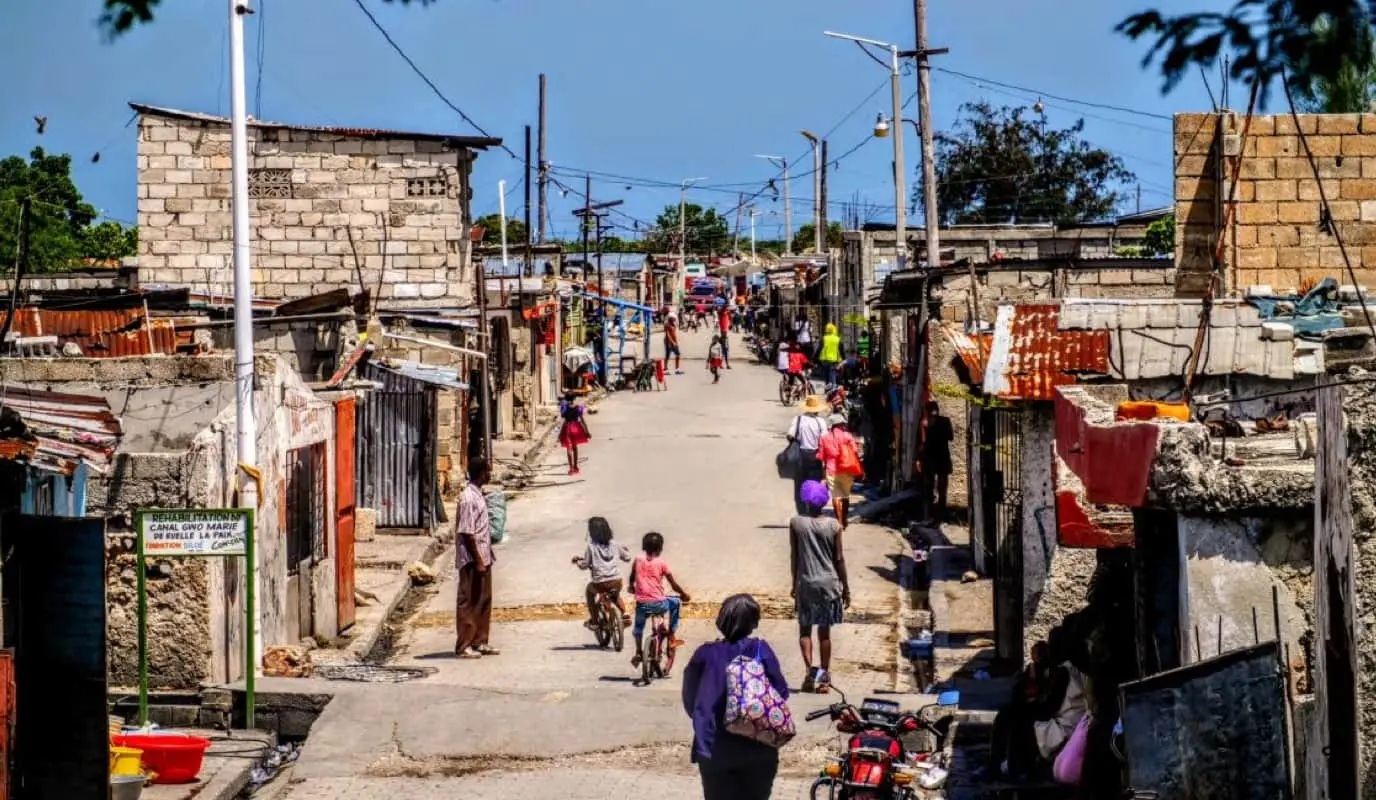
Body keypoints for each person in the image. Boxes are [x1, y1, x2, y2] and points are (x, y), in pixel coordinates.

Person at [682, 594, 788, 800]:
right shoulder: (761, 650)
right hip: (758, 745)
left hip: (714, 746)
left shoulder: (704, 654)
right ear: (753, 622)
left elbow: (690, 700)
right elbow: (780, 692)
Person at [790, 480, 848, 693]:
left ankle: (809, 673)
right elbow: (839, 559)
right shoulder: (834, 525)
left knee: (805, 631)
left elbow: (794, 557)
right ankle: (824, 678)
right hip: (829, 584)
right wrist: (846, 587)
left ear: (805, 501)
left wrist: (794, 584)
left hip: (806, 583)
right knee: (825, 634)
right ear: (824, 502)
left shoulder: (796, 523)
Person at [455, 457, 500, 659]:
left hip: (483, 555)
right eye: (488, 471)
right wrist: (478, 560)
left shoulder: (479, 494)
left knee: (484, 599)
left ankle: (480, 641)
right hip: (472, 560)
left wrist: (488, 554)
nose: (490, 475)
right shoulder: (468, 498)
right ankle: (464, 644)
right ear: (481, 473)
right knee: (469, 601)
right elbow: (466, 532)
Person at [987, 640, 1051, 778]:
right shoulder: (1031, 669)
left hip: (1040, 710)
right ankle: (997, 764)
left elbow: (1044, 696)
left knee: (1017, 726)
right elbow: (1019, 689)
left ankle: (1015, 767)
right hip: (1025, 705)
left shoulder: (1051, 670)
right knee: (1003, 719)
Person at [630, 531, 692, 668]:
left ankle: (638, 651)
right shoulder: (662, 563)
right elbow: (673, 584)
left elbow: (632, 576)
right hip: (659, 604)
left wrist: (630, 587)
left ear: (644, 547)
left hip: (641, 604)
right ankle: (671, 634)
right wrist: (683, 594)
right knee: (675, 602)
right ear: (660, 549)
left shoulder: (638, 560)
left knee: (638, 628)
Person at [572, 516, 631, 629]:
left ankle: (594, 621)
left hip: (600, 583)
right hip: (616, 581)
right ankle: (625, 613)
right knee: (615, 595)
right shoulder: (614, 543)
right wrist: (623, 551)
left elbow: (585, 565)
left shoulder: (591, 547)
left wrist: (577, 562)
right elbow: (627, 558)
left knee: (589, 591)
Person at [817, 414, 862, 528]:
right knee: (846, 495)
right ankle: (845, 519)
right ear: (842, 424)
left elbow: (821, 456)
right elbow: (855, 450)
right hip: (847, 469)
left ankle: (839, 522)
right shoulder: (848, 436)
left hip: (831, 470)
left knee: (836, 496)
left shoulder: (824, 437)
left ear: (831, 425)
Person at [786, 396, 828, 515]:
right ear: (817, 409)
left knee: (800, 484)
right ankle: (814, 511)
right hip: (816, 457)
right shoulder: (821, 422)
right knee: (815, 484)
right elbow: (824, 440)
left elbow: (790, 435)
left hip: (801, 456)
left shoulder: (798, 419)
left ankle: (802, 511)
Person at [919, 400, 954, 521]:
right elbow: (951, 437)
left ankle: (929, 512)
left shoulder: (924, 423)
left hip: (929, 457)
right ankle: (941, 511)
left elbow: (923, 443)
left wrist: (919, 459)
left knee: (928, 485)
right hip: (942, 455)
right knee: (942, 485)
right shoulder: (945, 421)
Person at [558, 392, 592, 476]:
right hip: (576, 427)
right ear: (574, 398)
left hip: (567, 427)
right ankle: (576, 466)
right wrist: (587, 432)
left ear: (566, 398)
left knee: (568, 449)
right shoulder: (578, 408)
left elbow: (562, 418)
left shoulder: (564, 407)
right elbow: (582, 420)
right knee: (575, 447)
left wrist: (559, 433)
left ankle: (570, 469)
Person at [818, 322, 843, 387]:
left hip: (825, 360)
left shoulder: (824, 338)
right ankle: (833, 387)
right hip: (834, 360)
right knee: (833, 374)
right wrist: (843, 359)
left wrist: (815, 359)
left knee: (826, 375)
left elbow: (819, 349)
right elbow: (841, 350)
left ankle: (828, 388)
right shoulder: (838, 339)